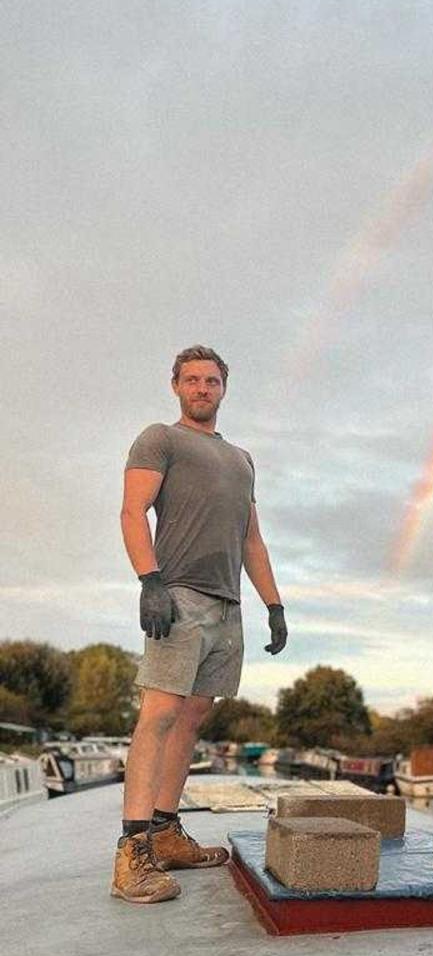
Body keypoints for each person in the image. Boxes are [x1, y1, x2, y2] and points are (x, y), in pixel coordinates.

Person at [112, 345, 287, 904]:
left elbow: (251, 539)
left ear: (224, 388)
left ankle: (166, 833)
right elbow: (132, 510)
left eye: (211, 381)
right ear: (176, 386)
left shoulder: (242, 459)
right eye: (192, 380)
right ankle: (131, 854)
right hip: (179, 596)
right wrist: (150, 580)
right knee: (158, 715)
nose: (202, 389)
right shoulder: (160, 440)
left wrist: (274, 604)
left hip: (227, 606)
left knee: (191, 719)